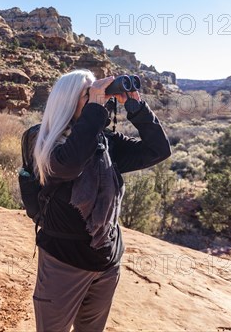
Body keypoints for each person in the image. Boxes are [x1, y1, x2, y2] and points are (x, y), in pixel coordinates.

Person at [24, 69, 171, 332]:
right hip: (62, 264)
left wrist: (136, 106)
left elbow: (157, 150)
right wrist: (94, 110)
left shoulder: (104, 143)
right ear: (67, 102)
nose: (99, 99)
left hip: (106, 261)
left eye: (99, 94)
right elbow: (70, 164)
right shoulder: (45, 143)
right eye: (88, 95)